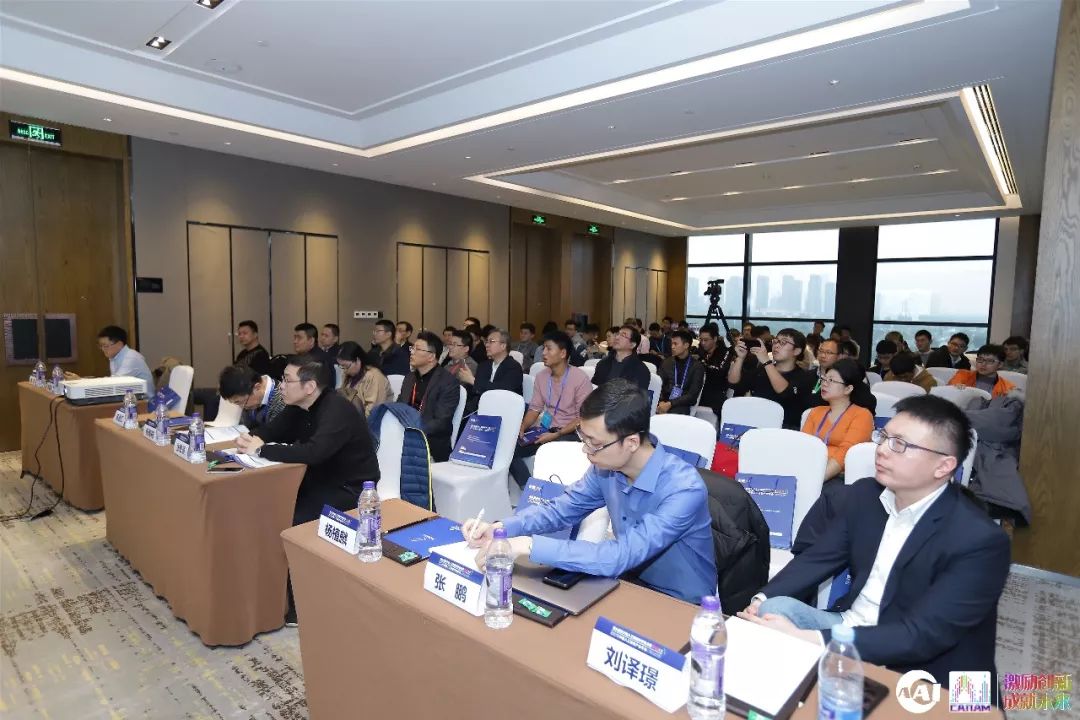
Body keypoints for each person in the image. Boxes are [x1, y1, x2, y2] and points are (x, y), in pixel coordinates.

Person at [739, 395, 1010, 689]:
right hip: (851, 625)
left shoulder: (980, 540)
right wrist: (760, 600)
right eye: (884, 437)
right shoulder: (865, 495)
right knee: (772, 611)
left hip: (933, 667)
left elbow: (922, 635)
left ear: (943, 466)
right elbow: (817, 558)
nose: (881, 450)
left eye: (900, 444)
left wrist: (809, 639)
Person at [465, 379, 717, 604]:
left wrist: (528, 545)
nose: (585, 450)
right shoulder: (606, 468)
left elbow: (621, 554)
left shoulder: (684, 489)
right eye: (583, 437)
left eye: (594, 443)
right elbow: (561, 510)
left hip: (681, 601)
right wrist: (501, 529)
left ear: (631, 442)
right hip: (625, 582)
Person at [236, 354, 380, 625]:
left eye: (287, 380)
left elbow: (314, 452)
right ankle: (267, 590)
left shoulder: (336, 410)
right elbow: (272, 430)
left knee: (292, 519)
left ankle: (299, 606)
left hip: (349, 488)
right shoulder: (299, 406)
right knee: (266, 505)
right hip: (317, 477)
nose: (281, 386)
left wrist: (262, 450)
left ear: (309, 386)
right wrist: (251, 439)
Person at [509, 332, 592, 487]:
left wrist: (557, 434)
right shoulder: (542, 377)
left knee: (550, 448)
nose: (544, 353)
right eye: (544, 348)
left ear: (563, 353)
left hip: (570, 433)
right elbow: (534, 409)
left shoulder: (580, 378)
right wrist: (522, 427)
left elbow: (582, 418)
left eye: (549, 349)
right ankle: (529, 488)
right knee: (509, 448)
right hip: (545, 429)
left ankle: (549, 492)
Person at [802, 359, 875, 482]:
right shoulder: (815, 412)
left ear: (848, 389)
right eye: (824, 378)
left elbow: (846, 453)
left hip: (840, 477)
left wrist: (815, 480)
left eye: (831, 380)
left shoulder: (862, 415)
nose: (824, 384)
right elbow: (803, 447)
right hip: (809, 470)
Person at [727, 328, 815, 430]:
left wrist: (766, 361)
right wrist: (740, 358)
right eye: (775, 341)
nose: (776, 345)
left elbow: (784, 392)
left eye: (783, 342)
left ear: (796, 351)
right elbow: (734, 383)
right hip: (756, 426)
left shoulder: (804, 377)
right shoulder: (762, 370)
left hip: (784, 430)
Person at [398, 331, 461, 462]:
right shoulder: (409, 378)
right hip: (404, 439)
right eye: (412, 348)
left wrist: (413, 431)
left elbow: (441, 422)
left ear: (431, 357)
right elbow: (399, 407)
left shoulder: (448, 382)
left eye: (417, 349)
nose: (412, 352)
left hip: (431, 445)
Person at [65, 325, 154, 390]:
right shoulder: (114, 356)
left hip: (145, 403)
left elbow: (114, 382)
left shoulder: (131, 357)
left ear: (119, 344)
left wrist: (81, 381)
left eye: (105, 346)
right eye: (101, 346)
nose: (102, 349)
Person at [462, 328, 524, 416]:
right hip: (480, 409)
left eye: (491, 341)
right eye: (486, 342)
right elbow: (475, 392)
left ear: (503, 346)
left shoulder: (514, 367)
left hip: (505, 412)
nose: (487, 345)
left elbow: (502, 391)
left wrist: (473, 381)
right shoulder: (484, 365)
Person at [218, 364, 285, 429]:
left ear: (257, 387)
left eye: (239, 402)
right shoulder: (248, 393)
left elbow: (275, 433)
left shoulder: (281, 401)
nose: (241, 407)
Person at [337, 341, 392, 417]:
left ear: (357, 360)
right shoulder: (348, 375)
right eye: (341, 366)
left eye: (346, 366)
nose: (344, 370)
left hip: (372, 420)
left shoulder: (375, 376)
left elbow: (373, 411)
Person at [658, 330, 704, 415]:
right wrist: (660, 401)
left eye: (675, 344)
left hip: (681, 404)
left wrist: (670, 404)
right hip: (663, 402)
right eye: (672, 344)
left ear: (686, 345)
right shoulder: (666, 362)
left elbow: (692, 396)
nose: (672, 347)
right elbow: (659, 384)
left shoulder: (697, 367)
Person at [592, 324, 651, 391]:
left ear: (632, 345)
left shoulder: (641, 370)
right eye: (617, 334)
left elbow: (638, 396)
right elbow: (594, 388)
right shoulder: (603, 363)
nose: (617, 337)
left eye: (623, 335)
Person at [948, 344, 1017, 398]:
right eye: (980, 359)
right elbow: (949, 390)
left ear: (1000, 364)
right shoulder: (963, 375)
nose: (983, 364)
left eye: (990, 361)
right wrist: (955, 388)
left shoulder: (1008, 388)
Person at [696, 323, 729, 415]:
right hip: (700, 390)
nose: (703, 343)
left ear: (715, 339)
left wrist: (702, 366)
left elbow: (719, 372)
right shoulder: (702, 352)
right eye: (701, 340)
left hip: (716, 391)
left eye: (706, 340)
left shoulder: (725, 352)